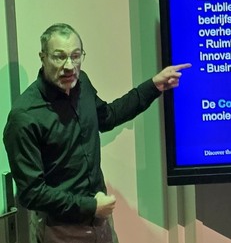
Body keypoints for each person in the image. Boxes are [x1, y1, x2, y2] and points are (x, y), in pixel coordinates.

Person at [2, 23, 191, 243]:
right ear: (42, 57)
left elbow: (108, 116)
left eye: (75, 56)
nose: (69, 66)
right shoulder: (24, 116)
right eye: (59, 57)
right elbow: (32, 193)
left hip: (100, 222)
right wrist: (91, 206)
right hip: (61, 229)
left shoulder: (82, 83)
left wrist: (154, 86)